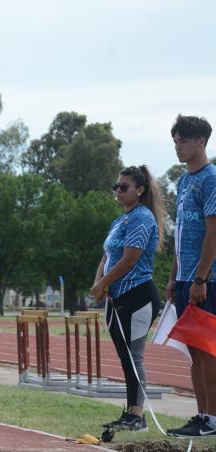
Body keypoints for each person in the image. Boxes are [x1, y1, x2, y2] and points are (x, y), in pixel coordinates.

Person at [89, 165, 166, 432]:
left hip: (138, 296)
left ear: (140, 190)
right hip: (116, 297)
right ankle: (130, 411)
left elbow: (130, 258)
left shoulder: (142, 218)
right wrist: (98, 283)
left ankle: (138, 416)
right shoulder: (120, 220)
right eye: (116, 187)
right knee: (125, 358)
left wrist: (102, 283)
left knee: (134, 356)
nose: (118, 191)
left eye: (124, 187)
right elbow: (107, 255)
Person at [164, 115, 216, 438]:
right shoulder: (184, 181)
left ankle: (213, 418)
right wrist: (174, 278)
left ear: (201, 142)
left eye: (183, 141)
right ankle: (201, 415)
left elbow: (213, 233)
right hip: (185, 280)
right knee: (194, 350)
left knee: (208, 348)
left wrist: (200, 279)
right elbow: (180, 236)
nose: (178, 148)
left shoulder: (211, 179)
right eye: (175, 142)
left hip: (206, 281)